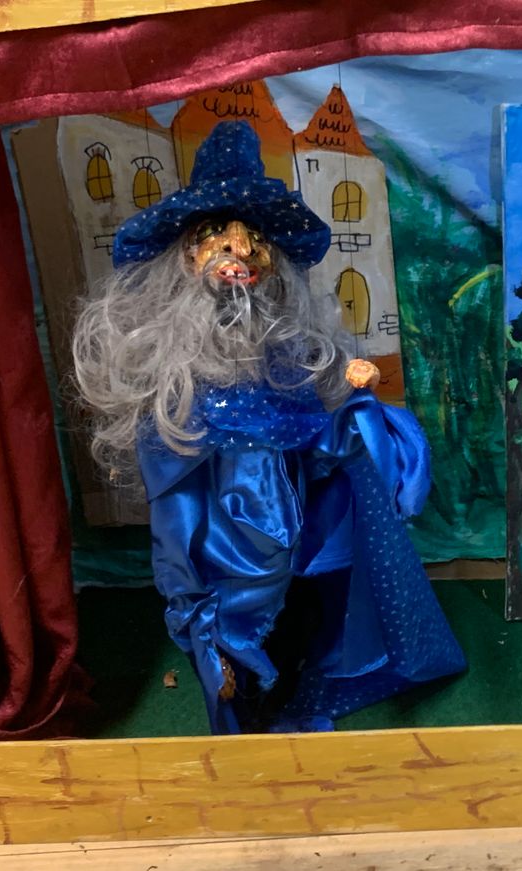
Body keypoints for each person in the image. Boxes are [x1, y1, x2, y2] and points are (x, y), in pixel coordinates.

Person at [71, 120, 466, 734]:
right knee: (230, 601)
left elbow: (314, 430)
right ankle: (235, 673)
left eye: (254, 241)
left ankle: (281, 671)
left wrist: (354, 398)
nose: (241, 252)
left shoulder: (282, 352)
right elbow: (173, 499)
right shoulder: (175, 367)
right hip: (221, 526)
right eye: (219, 239)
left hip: (289, 513)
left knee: (291, 598)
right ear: (187, 256)